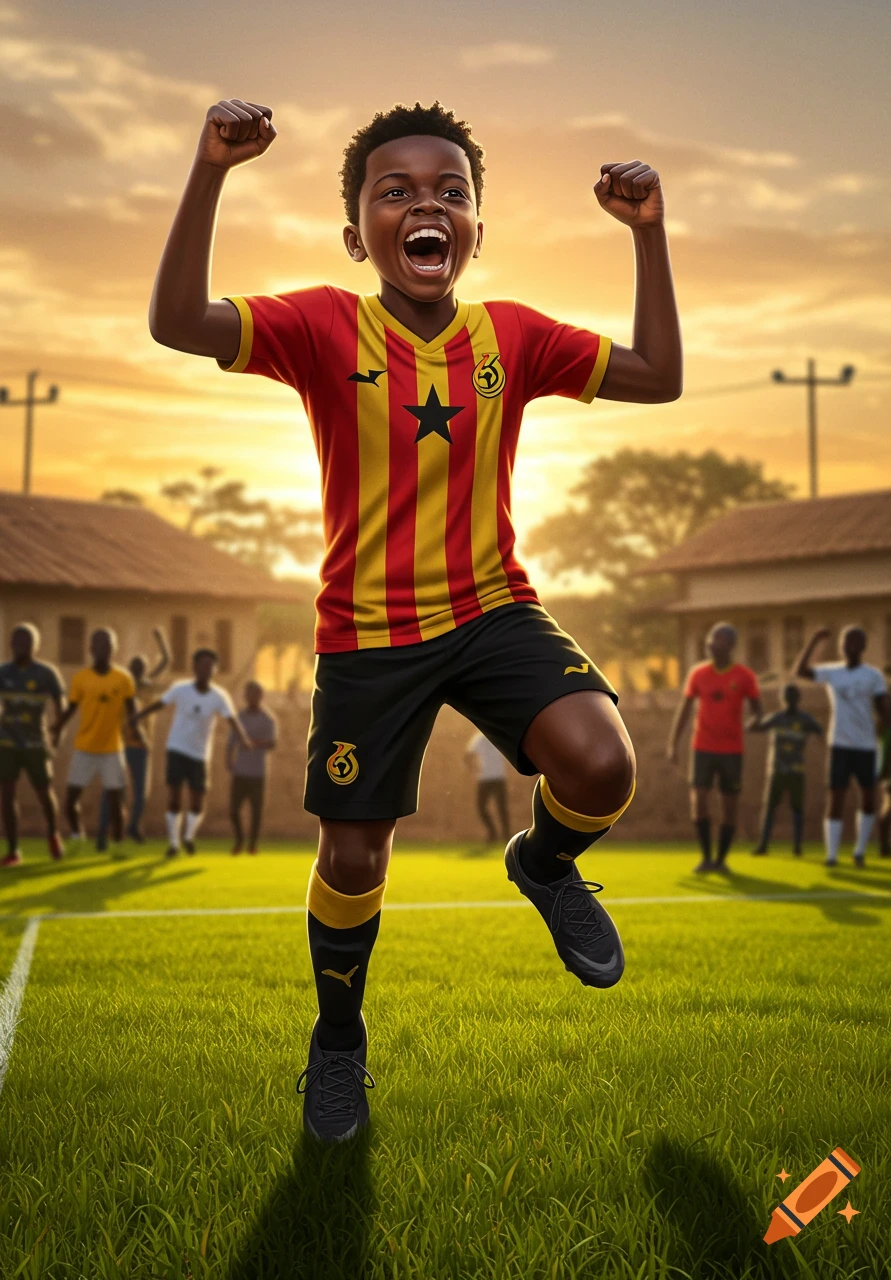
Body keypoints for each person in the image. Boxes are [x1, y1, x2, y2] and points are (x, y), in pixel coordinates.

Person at [150, 97, 681, 1143]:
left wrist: (649, 235)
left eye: (449, 192)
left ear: (476, 227)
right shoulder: (319, 325)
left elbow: (658, 378)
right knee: (353, 861)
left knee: (603, 766)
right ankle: (338, 1040)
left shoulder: (513, 338)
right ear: (358, 235)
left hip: (492, 607)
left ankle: (542, 862)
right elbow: (175, 321)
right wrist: (210, 168)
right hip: (367, 633)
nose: (424, 204)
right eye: (394, 191)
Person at [132, 648, 252, 857]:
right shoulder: (180, 689)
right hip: (177, 748)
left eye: (211, 665)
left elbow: (232, 720)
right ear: (195, 667)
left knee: (197, 801)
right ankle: (173, 843)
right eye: (203, 664)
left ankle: (188, 836)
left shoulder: (219, 696)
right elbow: (160, 704)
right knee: (174, 798)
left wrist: (243, 739)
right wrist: (138, 716)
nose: (207, 669)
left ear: (214, 669)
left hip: (200, 755)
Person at [667, 623, 762, 873]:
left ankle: (721, 860)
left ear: (730, 646)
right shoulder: (698, 674)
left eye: (718, 641)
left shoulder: (744, 676)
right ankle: (706, 857)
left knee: (729, 805)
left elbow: (757, 710)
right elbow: (685, 709)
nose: (712, 645)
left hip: (732, 750)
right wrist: (673, 743)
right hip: (703, 747)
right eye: (710, 640)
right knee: (698, 801)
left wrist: (755, 721)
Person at [793, 626, 888, 868]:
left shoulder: (873, 676)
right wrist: (814, 640)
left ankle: (859, 851)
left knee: (868, 799)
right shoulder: (832, 672)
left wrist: (885, 736)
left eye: (856, 642)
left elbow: (883, 710)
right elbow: (800, 671)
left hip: (866, 747)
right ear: (841, 646)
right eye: (846, 642)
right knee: (835, 797)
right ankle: (832, 855)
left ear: (863, 647)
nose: (850, 646)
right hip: (840, 746)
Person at [53, 628, 143, 858]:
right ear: (91, 648)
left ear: (115, 649)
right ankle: (76, 836)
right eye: (99, 645)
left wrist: (138, 730)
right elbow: (71, 708)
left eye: (109, 645)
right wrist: (56, 726)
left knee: (116, 803)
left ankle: (118, 845)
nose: (104, 649)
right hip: (84, 748)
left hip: (113, 750)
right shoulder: (81, 678)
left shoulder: (124, 678)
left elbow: (132, 711)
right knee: (69, 802)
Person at [96, 627, 170, 849]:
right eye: (137, 668)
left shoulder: (138, 685)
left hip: (133, 746)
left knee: (130, 792)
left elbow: (166, 661)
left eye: (141, 668)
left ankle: (123, 829)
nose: (139, 671)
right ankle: (113, 831)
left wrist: (160, 639)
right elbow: (166, 660)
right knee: (125, 792)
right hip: (128, 745)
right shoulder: (126, 685)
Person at [0, 623, 66, 867]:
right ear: (10, 644)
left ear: (35, 646)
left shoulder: (46, 673)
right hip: (7, 743)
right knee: (6, 796)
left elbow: (61, 706)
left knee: (44, 793)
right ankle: (13, 850)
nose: (20, 646)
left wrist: (57, 735)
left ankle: (53, 834)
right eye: (16, 641)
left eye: (26, 642)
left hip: (35, 744)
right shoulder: (3, 672)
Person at [749, 684, 822, 857]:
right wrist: (756, 717)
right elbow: (753, 728)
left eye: (791, 697)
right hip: (778, 770)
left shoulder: (804, 719)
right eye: (787, 697)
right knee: (772, 808)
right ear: (782, 700)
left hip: (794, 770)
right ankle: (765, 845)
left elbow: (820, 730)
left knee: (794, 809)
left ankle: (794, 846)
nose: (789, 700)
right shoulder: (777, 718)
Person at [226, 680, 278, 854]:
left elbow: (272, 743)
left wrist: (252, 743)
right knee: (233, 810)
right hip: (240, 771)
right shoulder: (239, 717)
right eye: (249, 694)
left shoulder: (268, 719)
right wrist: (228, 759)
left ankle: (252, 844)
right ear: (245, 696)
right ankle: (239, 840)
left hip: (258, 773)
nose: (252, 697)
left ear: (261, 696)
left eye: (255, 694)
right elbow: (231, 741)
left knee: (256, 812)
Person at [464, 730, 511, 844]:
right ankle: (493, 833)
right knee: (481, 807)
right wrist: (473, 769)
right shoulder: (479, 739)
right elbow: (468, 755)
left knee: (502, 808)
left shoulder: (499, 737)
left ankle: (506, 836)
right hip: (485, 778)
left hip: (499, 777)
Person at [878, 673, 891, 857]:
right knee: (889, 805)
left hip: (890, 770)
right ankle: (884, 845)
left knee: (889, 805)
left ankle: (884, 845)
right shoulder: (889, 729)